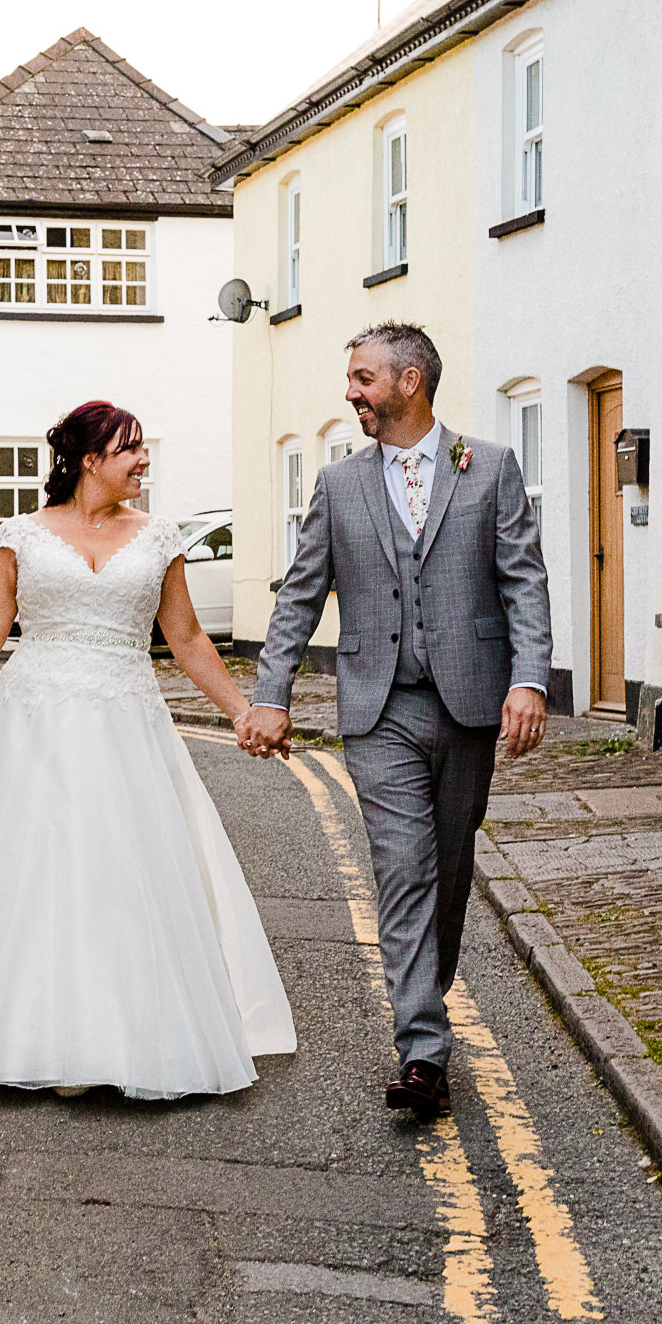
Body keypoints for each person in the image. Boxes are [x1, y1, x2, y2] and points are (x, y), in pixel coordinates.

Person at [0, 401, 296, 1100]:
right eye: (130, 450)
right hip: (35, 720)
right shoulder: (22, 536)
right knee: (39, 870)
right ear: (90, 461)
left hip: (125, 720)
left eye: (144, 448)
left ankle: (117, 1038)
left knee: (121, 869)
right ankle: (33, 1037)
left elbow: (186, 639)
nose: (143, 460)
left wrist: (245, 712)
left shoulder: (159, 539)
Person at [238, 324, 551, 1118]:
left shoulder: (489, 469)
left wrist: (530, 681)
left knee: (448, 874)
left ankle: (425, 1001)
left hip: (471, 702)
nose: (352, 393)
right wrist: (271, 692)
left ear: (410, 382)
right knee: (403, 870)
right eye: (352, 378)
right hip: (378, 709)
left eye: (363, 378)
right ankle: (422, 1050)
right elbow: (300, 595)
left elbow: (524, 582)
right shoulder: (340, 485)